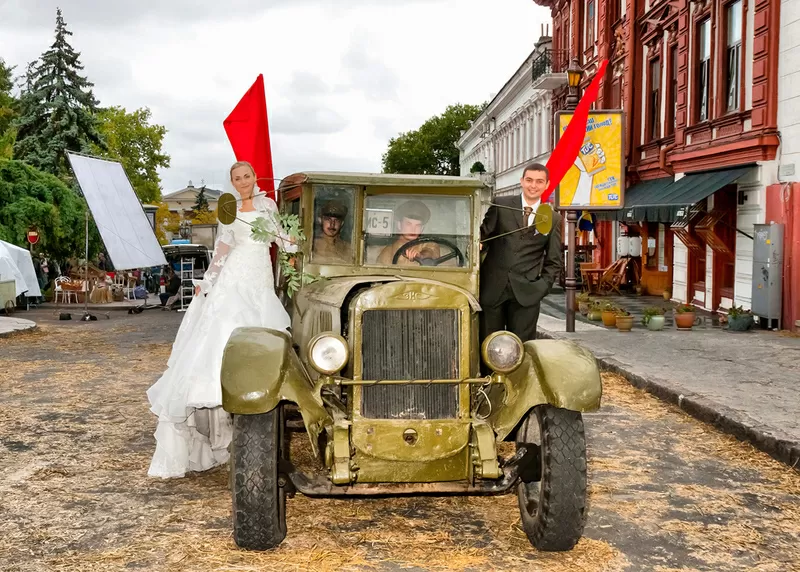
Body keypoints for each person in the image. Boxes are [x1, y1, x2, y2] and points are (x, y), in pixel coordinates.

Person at [146, 160, 297, 478]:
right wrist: (209, 281)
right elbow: (223, 249)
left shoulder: (267, 204)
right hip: (235, 277)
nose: (243, 182)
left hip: (259, 278)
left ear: (255, 178)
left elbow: (281, 239)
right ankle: (218, 395)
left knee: (261, 334)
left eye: (247, 176)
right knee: (225, 330)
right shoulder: (228, 208)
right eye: (237, 178)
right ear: (231, 182)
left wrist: (298, 245)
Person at [479, 163, 563, 344]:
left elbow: (554, 260)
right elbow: (482, 237)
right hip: (493, 289)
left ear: (547, 185)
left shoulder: (553, 218)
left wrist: (541, 288)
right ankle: (488, 375)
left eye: (539, 181)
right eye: (529, 180)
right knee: (487, 344)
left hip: (527, 293)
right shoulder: (501, 205)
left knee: (522, 348)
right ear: (521, 181)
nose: (533, 185)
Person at [377, 200, 440, 265]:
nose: (413, 229)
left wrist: (421, 256)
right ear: (399, 225)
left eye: (418, 225)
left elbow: (431, 251)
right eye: (408, 224)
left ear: (422, 229)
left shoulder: (428, 244)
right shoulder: (387, 252)